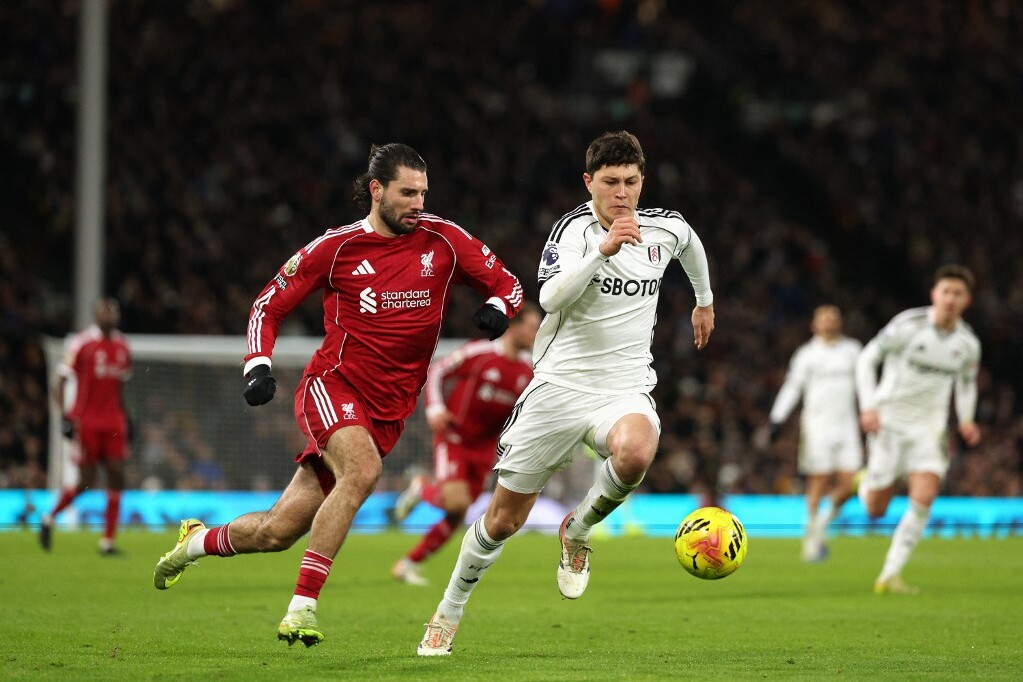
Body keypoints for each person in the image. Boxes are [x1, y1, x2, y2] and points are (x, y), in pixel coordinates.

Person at [151, 143, 524, 647]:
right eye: (407, 193)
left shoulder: (445, 240)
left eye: (423, 193)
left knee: (277, 532)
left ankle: (195, 541)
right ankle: (302, 608)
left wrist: (498, 308)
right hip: (333, 386)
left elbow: (509, 284)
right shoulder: (337, 247)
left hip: (390, 410)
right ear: (376, 190)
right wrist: (257, 365)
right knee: (364, 472)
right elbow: (268, 304)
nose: (418, 203)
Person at [418, 130, 715, 656]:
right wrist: (604, 250)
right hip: (558, 389)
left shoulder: (664, 228)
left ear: (642, 181)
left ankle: (577, 530)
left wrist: (704, 300)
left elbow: (690, 244)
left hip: (623, 387)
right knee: (502, 521)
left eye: (630, 181)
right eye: (610, 182)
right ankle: (449, 610)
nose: (622, 192)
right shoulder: (573, 231)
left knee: (636, 451)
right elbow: (551, 297)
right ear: (588, 182)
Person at [391, 302, 542, 586]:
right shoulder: (480, 352)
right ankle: (422, 488)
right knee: (456, 502)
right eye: (533, 327)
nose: (536, 334)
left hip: (486, 448)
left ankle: (407, 564)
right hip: (455, 437)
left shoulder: (528, 371)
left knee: (458, 512)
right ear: (515, 326)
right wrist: (435, 408)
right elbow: (437, 371)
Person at [856, 264, 981, 595]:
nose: (951, 299)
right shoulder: (908, 325)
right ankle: (864, 483)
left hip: (930, 428)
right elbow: (867, 359)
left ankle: (889, 574)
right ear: (934, 294)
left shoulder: (968, 343)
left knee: (924, 497)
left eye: (958, 293)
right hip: (889, 420)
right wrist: (868, 406)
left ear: (967, 300)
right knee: (875, 509)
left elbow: (966, 383)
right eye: (946, 291)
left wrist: (966, 419)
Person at [767, 305, 862, 562]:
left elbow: (865, 385)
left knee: (850, 483)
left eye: (834, 318)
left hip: (847, 426)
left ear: (840, 323)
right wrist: (777, 418)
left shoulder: (853, 351)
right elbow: (792, 387)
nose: (829, 322)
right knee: (818, 481)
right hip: (817, 426)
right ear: (814, 325)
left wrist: (871, 411)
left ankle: (819, 526)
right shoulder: (806, 355)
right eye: (824, 318)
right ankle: (811, 538)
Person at [40, 297, 132, 555]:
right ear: (95, 315)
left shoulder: (123, 346)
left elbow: (120, 387)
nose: (109, 314)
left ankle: (108, 542)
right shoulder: (82, 343)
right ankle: (49, 517)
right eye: (105, 311)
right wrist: (65, 417)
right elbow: (60, 380)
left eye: (113, 311)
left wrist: (127, 417)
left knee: (117, 474)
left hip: (114, 421)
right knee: (87, 481)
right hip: (87, 421)